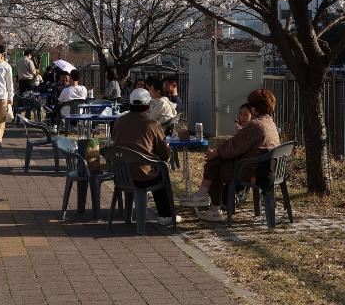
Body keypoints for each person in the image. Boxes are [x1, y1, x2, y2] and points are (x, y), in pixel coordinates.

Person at [180, 88, 280, 222]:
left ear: (254, 108)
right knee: (216, 161)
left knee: (215, 166)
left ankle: (209, 203)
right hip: (262, 168)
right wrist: (218, 153)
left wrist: (216, 153)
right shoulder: (270, 123)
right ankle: (208, 201)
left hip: (248, 170)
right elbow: (239, 146)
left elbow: (234, 146)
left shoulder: (256, 125)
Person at [110, 89, 179, 226]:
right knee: (161, 172)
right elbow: (164, 155)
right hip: (143, 176)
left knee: (155, 169)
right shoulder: (152, 124)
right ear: (148, 106)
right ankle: (165, 214)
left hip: (121, 175)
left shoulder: (118, 122)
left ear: (129, 104)